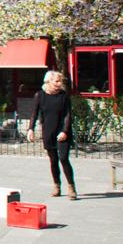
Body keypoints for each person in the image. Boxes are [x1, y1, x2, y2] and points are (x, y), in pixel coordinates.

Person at [28, 70, 77, 199]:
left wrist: (65, 131)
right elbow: (34, 113)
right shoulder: (40, 95)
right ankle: (57, 185)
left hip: (62, 131)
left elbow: (68, 115)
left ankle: (71, 187)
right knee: (53, 160)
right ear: (48, 81)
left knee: (63, 158)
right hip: (48, 131)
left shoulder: (64, 96)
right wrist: (30, 129)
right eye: (56, 81)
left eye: (61, 81)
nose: (59, 83)